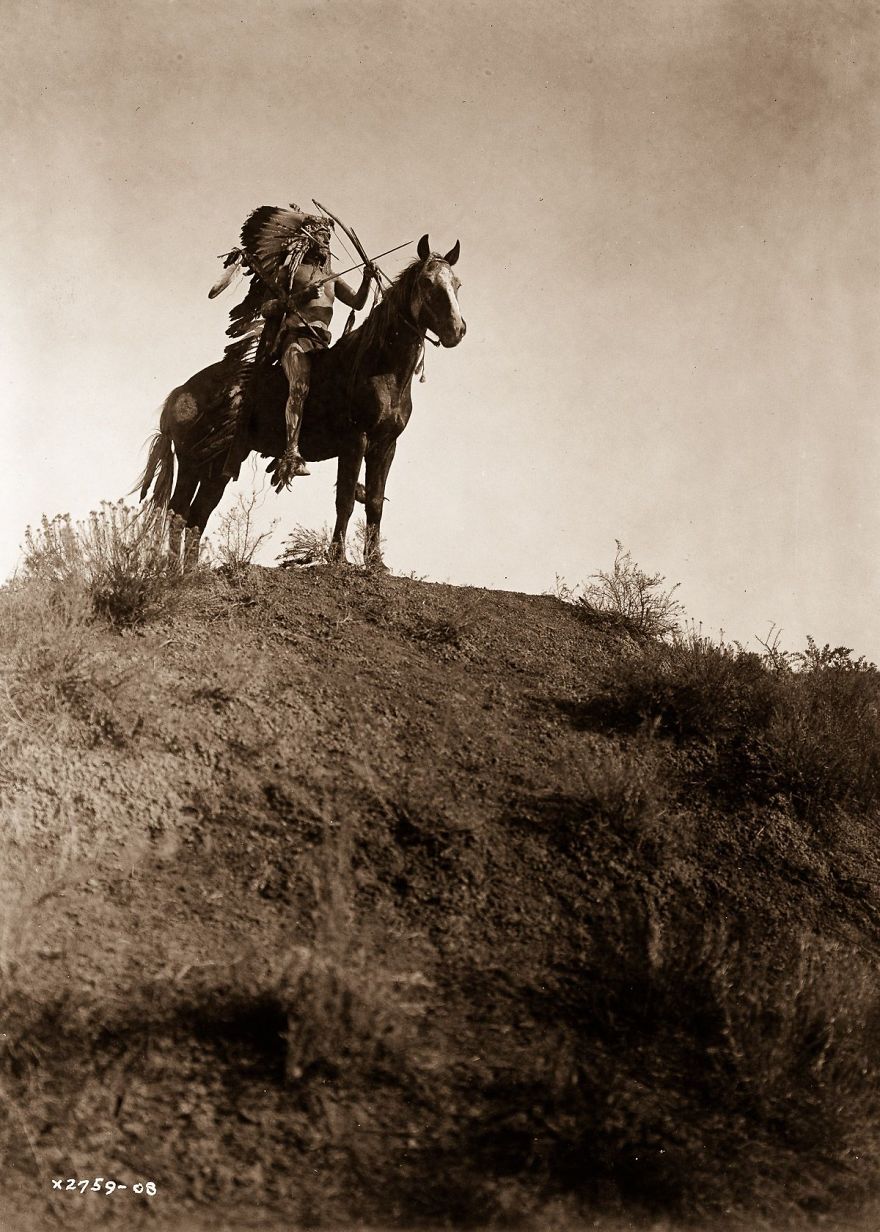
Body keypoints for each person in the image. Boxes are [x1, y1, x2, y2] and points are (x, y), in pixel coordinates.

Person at [213, 205, 376, 487]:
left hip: (322, 345)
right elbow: (268, 307)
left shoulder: (333, 278)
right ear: (307, 239)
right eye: (321, 237)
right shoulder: (291, 272)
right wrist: (300, 296)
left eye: (328, 239)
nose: (326, 243)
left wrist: (367, 278)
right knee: (300, 384)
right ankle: (291, 452)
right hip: (294, 341)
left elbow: (358, 303)